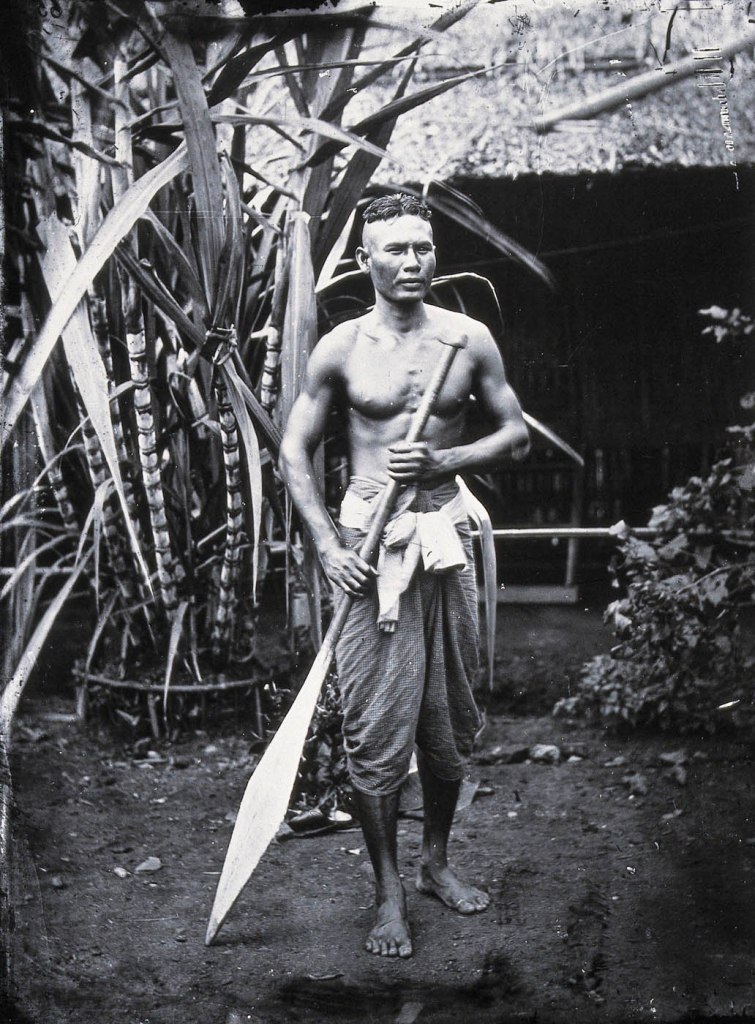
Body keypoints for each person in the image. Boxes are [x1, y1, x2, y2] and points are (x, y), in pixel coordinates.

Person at [279, 193, 530, 959]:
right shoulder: (341, 350)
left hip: (444, 534)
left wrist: (447, 459)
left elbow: (514, 435)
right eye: (394, 249)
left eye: (422, 247)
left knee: (448, 717)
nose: (412, 261)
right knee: (376, 725)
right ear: (366, 260)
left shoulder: (467, 338)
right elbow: (293, 452)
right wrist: (326, 546)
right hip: (368, 542)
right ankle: (386, 892)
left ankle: (435, 865)